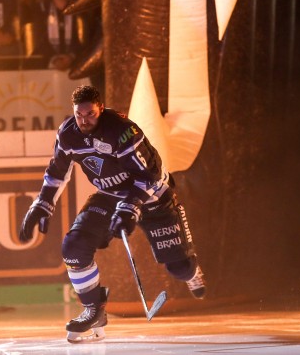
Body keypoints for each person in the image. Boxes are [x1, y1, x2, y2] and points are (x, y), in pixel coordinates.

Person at [18, 85, 206, 342]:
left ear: (101, 109)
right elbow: (57, 171)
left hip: (152, 196)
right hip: (109, 196)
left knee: (180, 268)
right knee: (73, 246)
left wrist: (130, 207)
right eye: (79, 115)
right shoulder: (68, 133)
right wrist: (42, 203)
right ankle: (94, 310)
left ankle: (193, 272)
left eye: (90, 114)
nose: (84, 121)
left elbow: (149, 175)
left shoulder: (123, 131)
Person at [31, 0, 81, 71]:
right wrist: (54, 59)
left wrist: (71, 57)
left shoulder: (77, 9)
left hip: (74, 61)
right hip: (49, 60)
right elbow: (39, 38)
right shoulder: (42, 9)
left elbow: (83, 38)